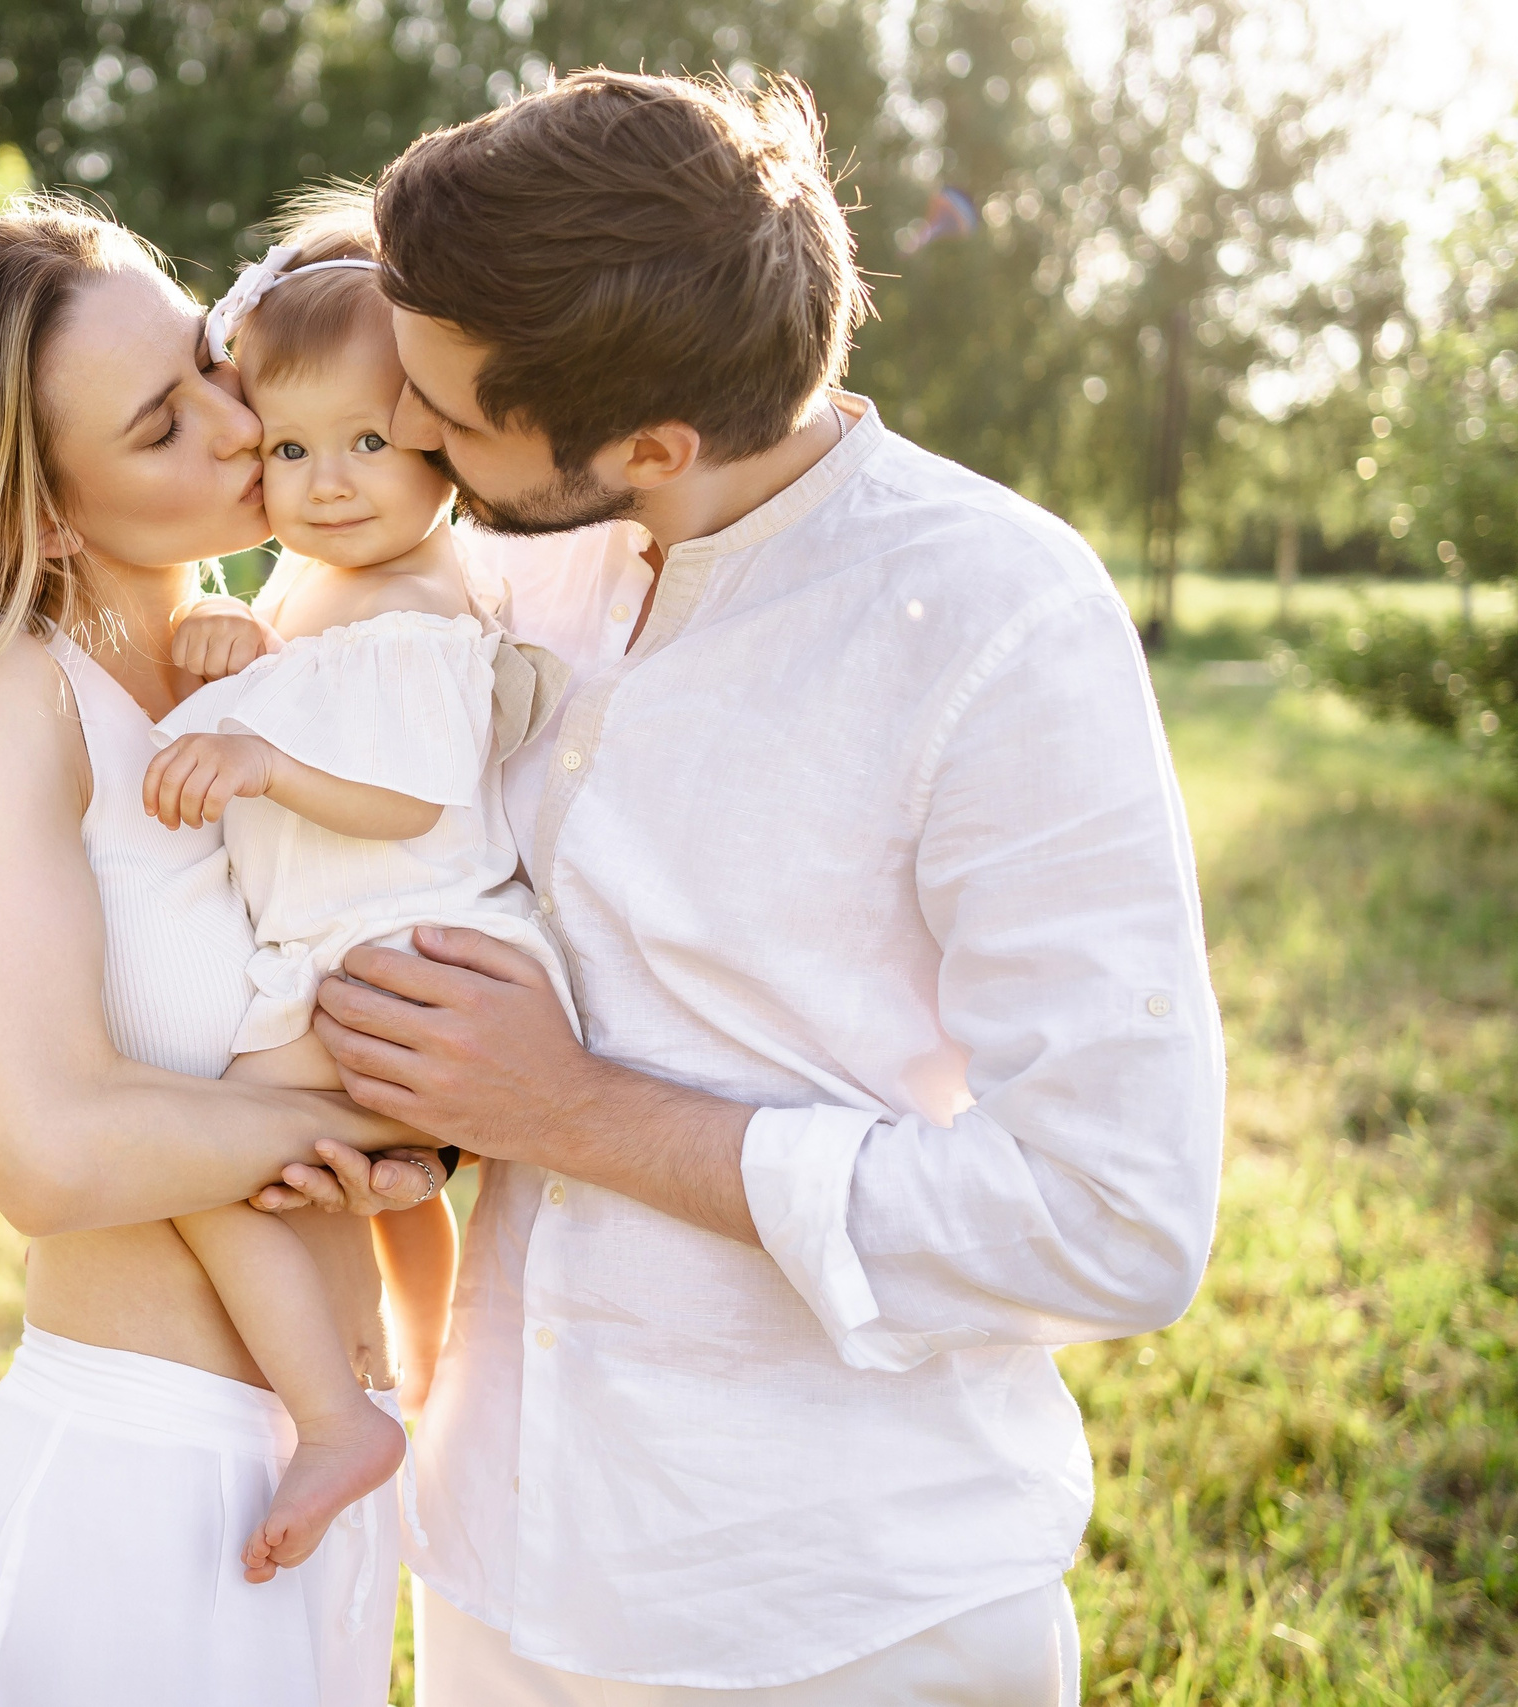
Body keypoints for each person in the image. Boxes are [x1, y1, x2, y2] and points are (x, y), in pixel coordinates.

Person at [273, 69, 1227, 1704]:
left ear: (651, 442)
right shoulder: (494, 555)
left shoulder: (999, 617)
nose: (408, 432)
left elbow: (1116, 1216)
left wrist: (574, 1111)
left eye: (447, 408)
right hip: (494, 1558)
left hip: (830, 1608)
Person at [0, 196, 441, 1705]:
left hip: (319, 1475)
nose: (236, 418)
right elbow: (53, 1153)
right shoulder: (13, 696)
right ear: (43, 511)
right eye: (159, 425)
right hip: (147, 1501)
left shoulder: (283, 642)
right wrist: (396, 1119)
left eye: (209, 361)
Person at [139, 198, 578, 1579]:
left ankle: (340, 1419)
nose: (328, 483)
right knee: (393, 1199)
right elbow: (264, 659)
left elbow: (408, 798)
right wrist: (223, 631)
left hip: (410, 951)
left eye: (370, 444)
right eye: (289, 448)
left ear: (443, 449)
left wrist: (263, 756)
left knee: (183, 1154)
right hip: (360, 949)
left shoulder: (419, 612)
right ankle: (422, 1367)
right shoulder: (318, 586)